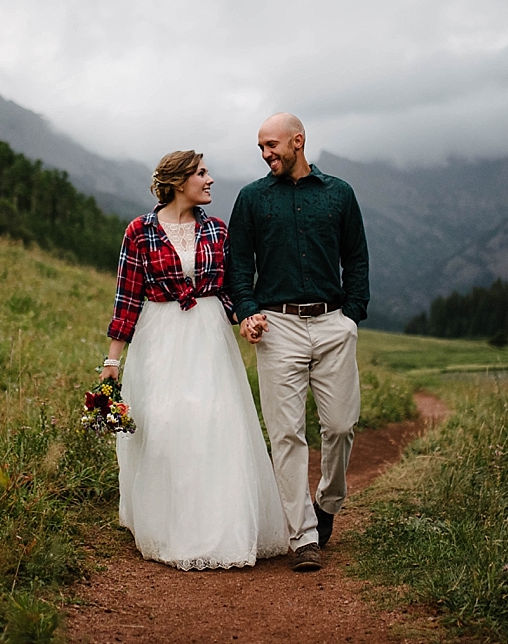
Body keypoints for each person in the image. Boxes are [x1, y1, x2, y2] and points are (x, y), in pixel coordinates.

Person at [101, 150, 289, 570]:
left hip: (209, 338)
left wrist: (246, 316)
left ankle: (221, 530)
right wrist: (110, 362)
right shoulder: (140, 231)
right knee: (167, 427)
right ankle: (171, 528)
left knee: (215, 424)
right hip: (160, 339)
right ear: (179, 180)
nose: (210, 180)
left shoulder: (218, 231)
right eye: (202, 173)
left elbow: (228, 291)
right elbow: (126, 299)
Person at [226, 113, 369, 572]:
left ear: (298, 141)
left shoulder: (339, 194)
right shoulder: (251, 199)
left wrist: (352, 314)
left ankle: (327, 503)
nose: (266, 154)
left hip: (332, 323)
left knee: (342, 425)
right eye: (261, 148)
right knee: (286, 433)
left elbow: (357, 258)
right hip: (277, 326)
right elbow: (238, 264)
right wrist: (248, 311)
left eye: (272, 145)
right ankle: (302, 536)